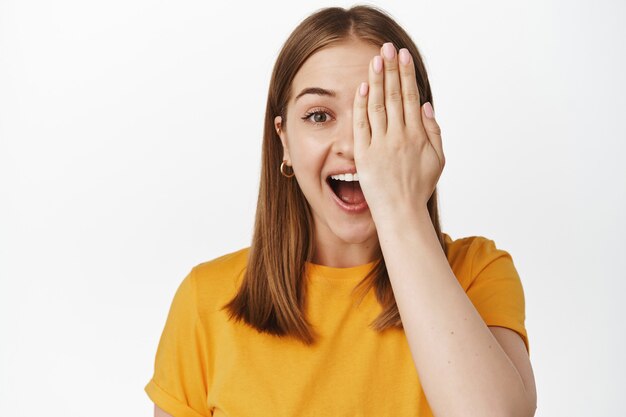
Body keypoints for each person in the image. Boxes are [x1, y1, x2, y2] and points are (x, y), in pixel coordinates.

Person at [145, 5, 537, 417]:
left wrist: (401, 208)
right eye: (319, 116)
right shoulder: (204, 301)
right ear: (284, 140)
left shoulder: (477, 273)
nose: (353, 145)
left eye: (380, 113)